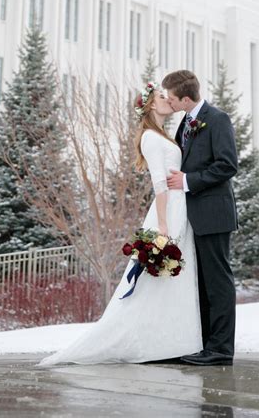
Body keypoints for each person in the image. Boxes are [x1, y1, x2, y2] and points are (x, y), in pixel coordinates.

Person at [39, 82, 202, 366]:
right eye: (162, 97)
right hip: (168, 211)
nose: (168, 100)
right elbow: (158, 184)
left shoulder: (164, 134)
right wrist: (163, 226)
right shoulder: (150, 138)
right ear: (151, 104)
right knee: (157, 279)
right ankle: (144, 340)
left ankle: (174, 339)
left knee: (175, 280)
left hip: (180, 206)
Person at [162, 70, 238, 367]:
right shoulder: (185, 121)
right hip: (192, 214)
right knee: (203, 283)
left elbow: (227, 165)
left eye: (170, 97)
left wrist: (188, 180)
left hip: (214, 213)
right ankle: (207, 345)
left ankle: (221, 349)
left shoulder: (217, 119)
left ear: (185, 98)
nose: (167, 101)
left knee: (218, 283)